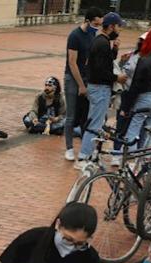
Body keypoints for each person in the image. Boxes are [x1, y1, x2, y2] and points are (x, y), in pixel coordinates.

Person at [0, 202, 100, 263]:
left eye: (79, 244)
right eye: (68, 239)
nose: (71, 247)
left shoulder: (90, 257)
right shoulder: (32, 239)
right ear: (58, 224)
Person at [76, 11, 124, 163]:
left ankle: (89, 154)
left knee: (95, 121)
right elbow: (101, 71)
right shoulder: (102, 43)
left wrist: (115, 50)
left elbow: (104, 62)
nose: (119, 30)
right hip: (99, 88)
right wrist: (118, 78)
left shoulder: (101, 41)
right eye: (118, 26)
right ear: (111, 26)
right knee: (95, 124)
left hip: (97, 87)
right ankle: (84, 157)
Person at [117, 28, 151, 153]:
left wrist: (126, 107)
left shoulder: (144, 60)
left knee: (132, 132)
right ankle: (144, 160)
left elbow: (136, 85)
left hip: (144, 98)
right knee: (150, 132)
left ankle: (131, 161)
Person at [62, 7, 98, 161]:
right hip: (72, 78)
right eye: (95, 23)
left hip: (86, 77)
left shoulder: (93, 34)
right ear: (88, 21)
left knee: (86, 114)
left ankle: (86, 146)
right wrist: (81, 85)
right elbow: (72, 62)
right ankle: (69, 148)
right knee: (70, 115)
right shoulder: (75, 36)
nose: (97, 26)